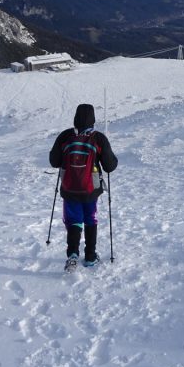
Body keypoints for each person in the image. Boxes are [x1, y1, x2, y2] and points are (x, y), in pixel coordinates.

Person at [49, 103, 118, 269]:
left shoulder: (65, 136)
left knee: (74, 220)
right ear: (93, 119)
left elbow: (54, 161)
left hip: (69, 188)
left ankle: (72, 254)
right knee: (90, 219)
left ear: (75, 117)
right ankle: (90, 256)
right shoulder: (98, 138)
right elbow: (110, 166)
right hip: (91, 190)